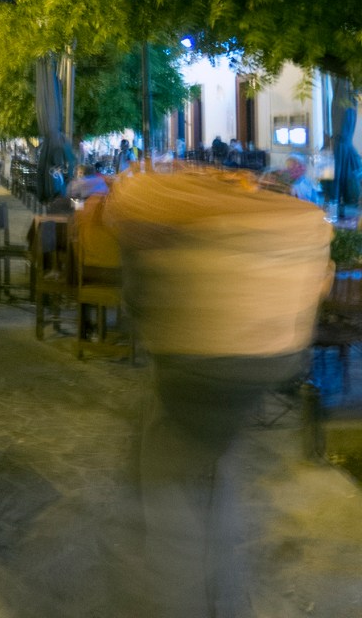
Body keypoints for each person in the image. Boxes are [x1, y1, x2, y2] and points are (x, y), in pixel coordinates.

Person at [108, 168, 334, 618]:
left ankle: (183, 602)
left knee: (168, 491)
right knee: (201, 476)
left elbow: (134, 207)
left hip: (206, 354)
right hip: (258, 355)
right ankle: (217, 599)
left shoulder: (171, 201)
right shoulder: (276, 212)